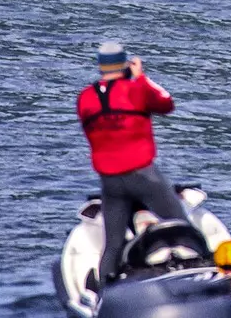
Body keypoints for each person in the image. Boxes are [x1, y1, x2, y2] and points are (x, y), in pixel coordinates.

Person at [76, 42, 188, 285]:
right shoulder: (136, 89)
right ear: (125, 63)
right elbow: (166, 103)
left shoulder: (85, 97)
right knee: (182, 227)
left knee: (113, 245)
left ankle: (106, 293)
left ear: (100, 66)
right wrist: (140, 77)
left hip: (110, 182)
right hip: (143, 176)